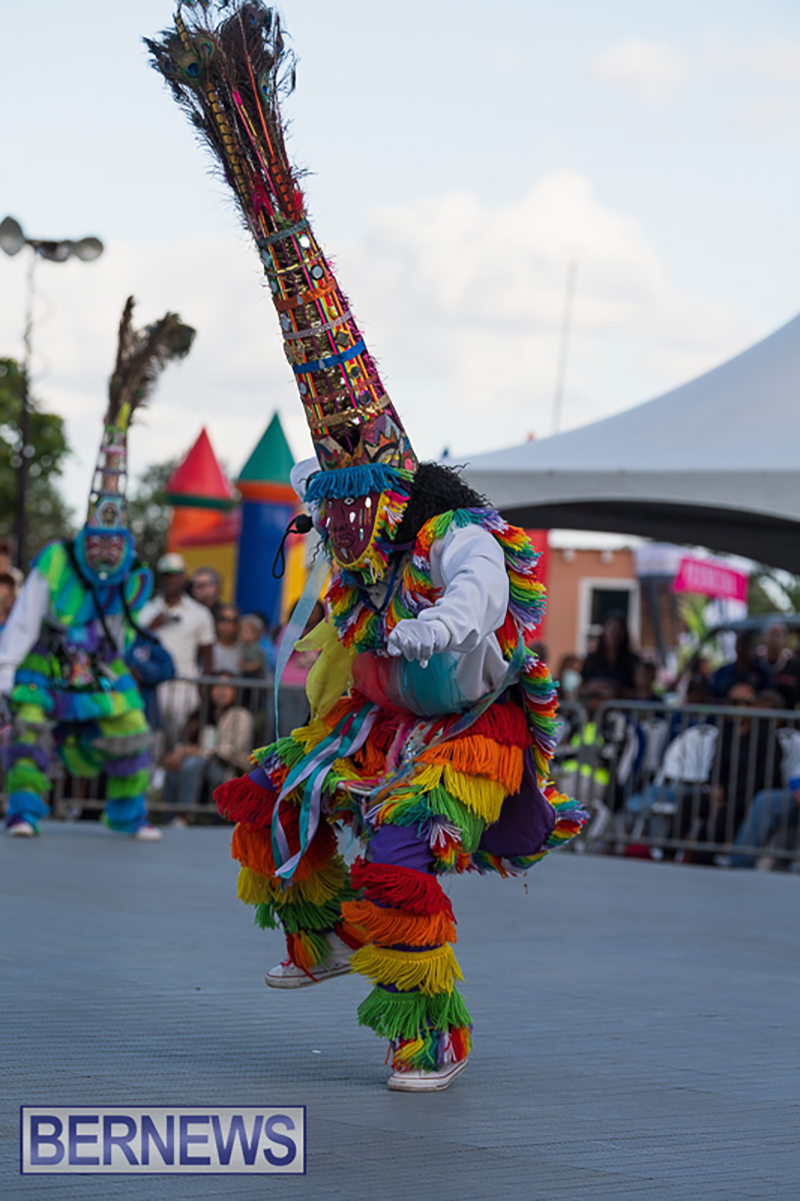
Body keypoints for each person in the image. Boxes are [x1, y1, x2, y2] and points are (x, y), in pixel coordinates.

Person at [150, 0, 586, 1093]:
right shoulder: (341, 517)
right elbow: (315, 511)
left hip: (468, 728)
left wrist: (423, 625)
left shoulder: (453, 533)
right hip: (384, 710)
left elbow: (477, 602)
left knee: (399, 849)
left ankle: (429, 1036)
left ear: (397, 486)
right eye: (333, 499)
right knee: (271, 792)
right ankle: (324, 938)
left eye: (360, 500)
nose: (346, 519)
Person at [0, 296, 194, 839]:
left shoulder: (133, 575)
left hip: (101, 667)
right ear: (87, 535)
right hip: (48, 663)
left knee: (131, 726)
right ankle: (24, 812)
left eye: (115, 542)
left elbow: (126, 624)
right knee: (29, 729)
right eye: (98, 541)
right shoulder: (57, 561)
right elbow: (25, 621)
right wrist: (6, 672)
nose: (106, 552)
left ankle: (130, 814)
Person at [140, 553, 216, 749]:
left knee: (178, 742)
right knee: (153, 740)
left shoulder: (200, 613)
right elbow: (135, 646)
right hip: (153, 684)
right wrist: (151, 627)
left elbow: (208, 655)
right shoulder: (146, 610)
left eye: (175, 575)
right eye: (167, 575)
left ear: (184, 578)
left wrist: (202, 688)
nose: (171, 580)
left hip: (185, 685)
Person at [163, 672, 253, 822]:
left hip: (227, 769)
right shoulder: (201, 713)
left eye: (227, 687)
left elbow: (231, 750)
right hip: (202, 763)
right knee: (175, 763)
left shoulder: (241, 715)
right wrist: (179, 753)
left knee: (193, 763)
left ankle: (184, 817)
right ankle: (168, 818)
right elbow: (187, 742)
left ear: (235, 691)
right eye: (217, 686)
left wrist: (200, 752)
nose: (221, 691)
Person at [581, 611, 640, 696]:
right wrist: (593, 687)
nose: (613, 634)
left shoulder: (632, 661)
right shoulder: (591, 660)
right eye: (610, 629)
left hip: (622, 703)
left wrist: (619, 690)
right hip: (595, 702)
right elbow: (581, 687)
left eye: (618, 630)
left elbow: (640, 691)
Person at [710, 630, 771, 700]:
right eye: (740, 644)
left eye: (746, 644)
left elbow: (769, 698)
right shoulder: (722, 673)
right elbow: (712, 697)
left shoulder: (762, 674)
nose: (742, 648)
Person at [756, 621, 800, 710]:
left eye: (778, 635)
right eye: (772, 634)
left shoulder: (795, 667)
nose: (774, 639)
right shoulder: (756, 666)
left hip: (788, 717)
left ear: (785, 639)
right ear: (764, 638)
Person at [212, 603, 242, 674]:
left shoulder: (244, 648)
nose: (227, 624)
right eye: (222, 619)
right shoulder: (206, 647)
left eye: (233, 620)